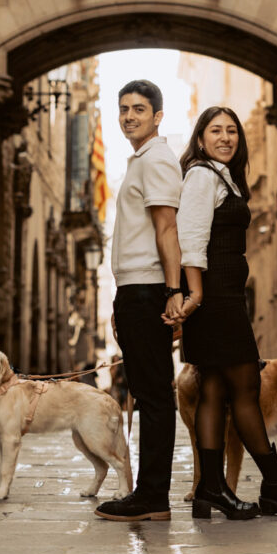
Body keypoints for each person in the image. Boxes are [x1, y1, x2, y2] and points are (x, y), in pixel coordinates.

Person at [172, 106, 277, 519]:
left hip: (223, 297)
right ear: (200, 139)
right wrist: (197, 294)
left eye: (232, 131)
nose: (225, 137)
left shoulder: (224, 178)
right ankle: (275, 486)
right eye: (215, 130)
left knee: (215, 390)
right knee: (245, 388)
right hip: (214, 299)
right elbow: (190, 238)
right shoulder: (203, 175)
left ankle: (210, 490)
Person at [94, 79, 184, 522]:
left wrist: (172, 292)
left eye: (140, 109)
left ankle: (152, 496)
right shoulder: (140, 161)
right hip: (135, 289)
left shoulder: (158, 160)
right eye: (124, 108)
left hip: (150, 290)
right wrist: (120, 300)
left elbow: (167, 229)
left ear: (158, 116)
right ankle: (150, 494)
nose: (130, 115)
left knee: (153, 396)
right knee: (147, 392)